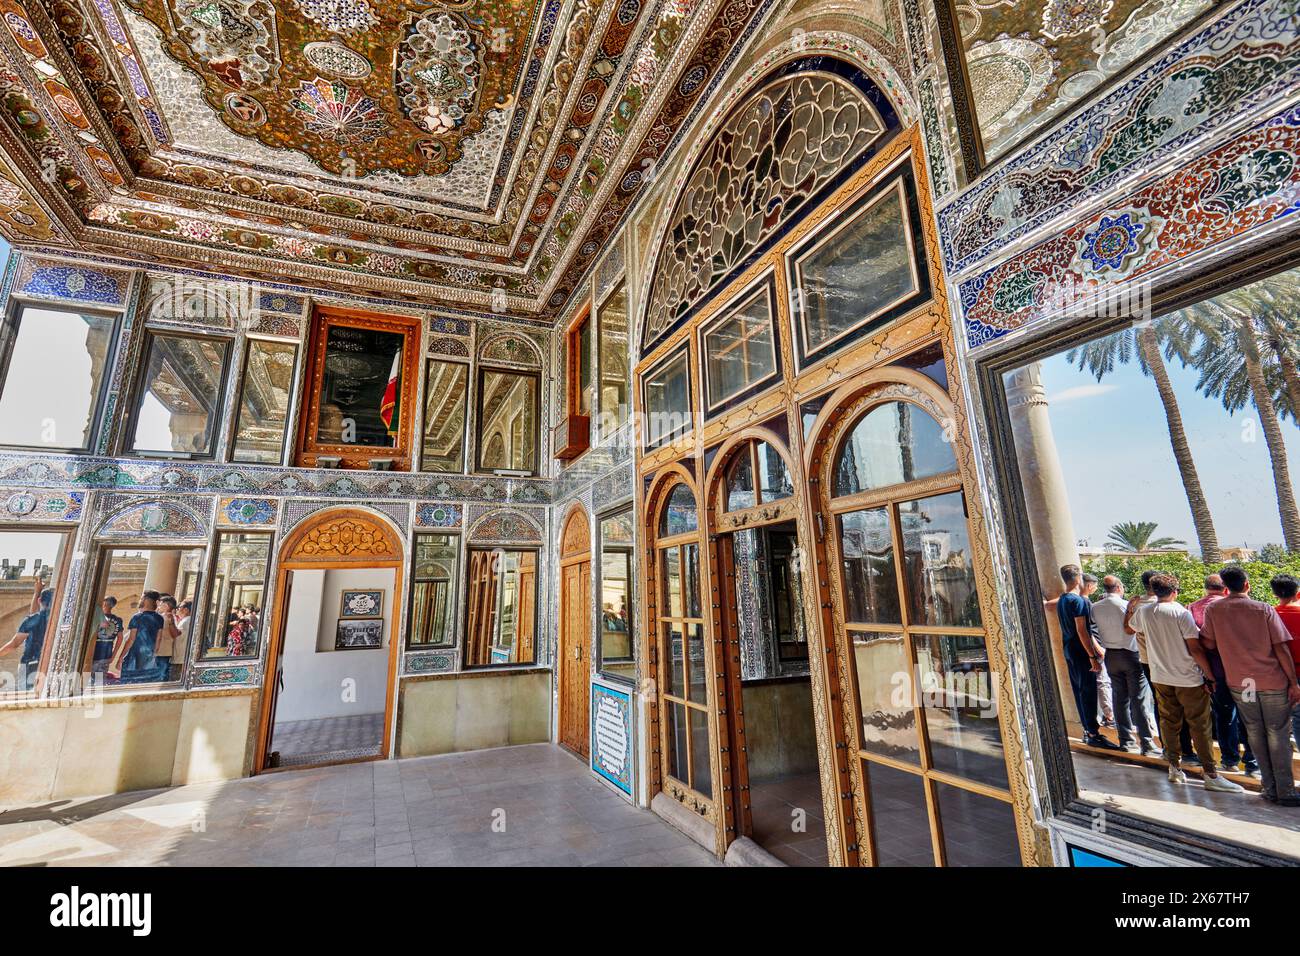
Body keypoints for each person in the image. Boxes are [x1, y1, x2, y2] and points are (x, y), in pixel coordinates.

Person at [1133, 572, 1243, 792]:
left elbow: (1133, 628)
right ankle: (1210, 774)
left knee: (1169, 722)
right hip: (1187, 677)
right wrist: (1209, 675)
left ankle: (1174, 768)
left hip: (1160, 676)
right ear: (1175, 591)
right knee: (1200, 725)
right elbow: (1194, 648)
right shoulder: (1180, 613)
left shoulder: (1144, 611)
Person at [1202, 567, 1300, 805]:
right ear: (1247, 584)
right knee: (1277, 733)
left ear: (1226, 587)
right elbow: (1280, 648)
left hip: (1240, 682)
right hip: (1271, 681)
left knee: (1254, 732)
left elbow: (1209, 642)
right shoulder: (1263, 609)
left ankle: (1268, 787)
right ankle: (1285, 791)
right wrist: (1293, 682)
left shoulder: (1213, 609)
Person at [1191, 573, 1257, 774]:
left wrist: (1207, 674)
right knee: (1250, 716)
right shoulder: (1255, 607)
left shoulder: (1194, 607)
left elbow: (1202, 644)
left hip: (1217, 672)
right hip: (1247, 675)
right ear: (1226, 588)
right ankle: (1253, 762)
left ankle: (1230, 760)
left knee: (1224, 714)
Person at [1126, 570, 1193, 762]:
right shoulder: (1177, 609)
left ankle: (1169, 748)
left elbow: (1129, 629)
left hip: (1151, 662)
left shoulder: (1140, 608)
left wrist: (1130, 609)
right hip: (1176, 664)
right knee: (1183, 708)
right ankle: (1186, 750)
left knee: (1162, 705)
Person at [1054, 565, 1121, 750]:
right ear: (1078, 580)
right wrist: (1092, 655)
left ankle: (1087, 730)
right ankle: (1093, 733)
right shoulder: (1079, 602)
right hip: (1082, 652)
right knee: (1088, 692)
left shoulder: (1062, 599)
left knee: (1080, 691)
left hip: (1069, 650)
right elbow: (1082, 630)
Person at [1091, 576, 1156, 754]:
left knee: (1119, 700)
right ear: (1119, 587)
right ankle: (1147, 742)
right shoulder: (1126, 606)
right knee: (1139, 700)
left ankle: (1126, 741)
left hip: (1110, 656)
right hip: (1131, 654)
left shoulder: (1094, 608)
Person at [0, 578, 53, 692]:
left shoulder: (32, 620)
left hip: (30, 666)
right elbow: (35, 614)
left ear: (40, 601)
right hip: (49, 665)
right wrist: (37, 592)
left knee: (26, 696)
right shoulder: (56, 620)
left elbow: (14, 644)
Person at [108, 590, 164, 683]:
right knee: (144, 685)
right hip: (149, 657)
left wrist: (121, 658)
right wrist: (154, 654)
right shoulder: (159, 618)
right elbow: (159, 638)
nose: (140, 599)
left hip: (134, 656)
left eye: (142, 597)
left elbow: (131, 639)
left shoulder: (137, 617)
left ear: (146, 600)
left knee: (128, 684)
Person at [1082, 574, 1115, 728]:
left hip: (1091, 649)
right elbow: (1086, 630)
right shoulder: (1086, 603)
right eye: (1094, 586)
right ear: (1089, 586)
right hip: (1096, 649)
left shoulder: (1081, 602)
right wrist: (1097, 648)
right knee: (1103, 682)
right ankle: (1110, 716)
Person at [1272, 575, 1300, 757]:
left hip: (1279, 674)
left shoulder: (1270, 615)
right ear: (1297, 593)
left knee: (1292, 719)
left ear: (1274, 594)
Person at [90, 596, 123, 680]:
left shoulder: (97, 617)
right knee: (99, 681)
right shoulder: (118, 620)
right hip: (106, 653)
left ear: (104, 603)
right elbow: (120, 639)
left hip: (93, 652)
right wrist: (113, 655)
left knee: (87, 679)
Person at [154, 596, 179, 682]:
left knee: (160, 677)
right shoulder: (161, 616)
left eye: (160, 605)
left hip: (162, 652)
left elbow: (174, 634)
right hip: (161, 652)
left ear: (166, 606)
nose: (158, 607)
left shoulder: (168, 617)